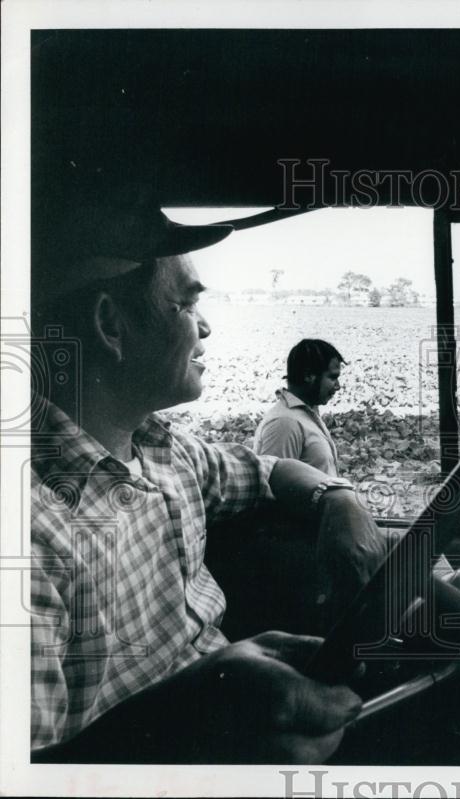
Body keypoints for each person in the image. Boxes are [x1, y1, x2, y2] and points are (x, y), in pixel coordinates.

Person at [29, 190, 388, 763]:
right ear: (110, 326)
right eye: (188, 306)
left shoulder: (165, 449)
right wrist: (199, 717)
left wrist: (337, 499)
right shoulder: (30, 533)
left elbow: (268, 471)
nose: (207, 328)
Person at [254, 339, 346, 476]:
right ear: (309, 376)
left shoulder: (306, 413)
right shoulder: (285, 423)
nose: (338, 386)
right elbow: (276, 488)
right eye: (333, 377)